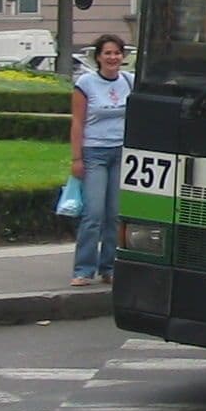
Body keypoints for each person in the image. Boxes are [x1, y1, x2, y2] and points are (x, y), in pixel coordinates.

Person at [69, 33, 132, 286]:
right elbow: (77, 121)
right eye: (107, 53)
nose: (113, 57)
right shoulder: (86, 83)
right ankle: (83, 269)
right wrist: (76, 158)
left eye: (117, 53)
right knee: (93, 213)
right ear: (98, 57)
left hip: (120, 152)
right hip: (94, 153)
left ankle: (109, 267)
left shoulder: (129, 81)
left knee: (115, 214)